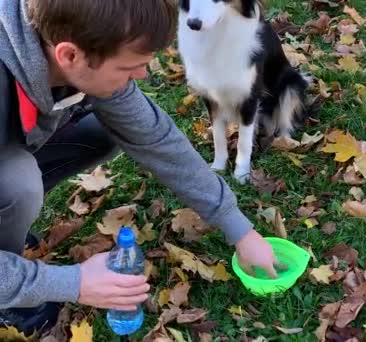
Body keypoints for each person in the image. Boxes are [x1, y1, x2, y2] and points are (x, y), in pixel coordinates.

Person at [0, 0, 279, 335]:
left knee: (101, 132)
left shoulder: (78, 39)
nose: (141, 75)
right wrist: (70, 282)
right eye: (128, 67)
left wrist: (239, 228)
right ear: (70, 55)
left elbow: (156, 139)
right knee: (18, 183)